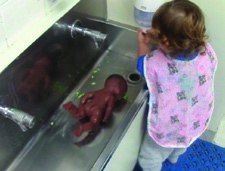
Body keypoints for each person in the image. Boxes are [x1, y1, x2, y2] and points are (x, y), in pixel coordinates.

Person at [136, 0, 218, 170]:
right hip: (194, 119)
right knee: (180, 145)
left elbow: (141, 66)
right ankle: (173, 160)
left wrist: (143, 44)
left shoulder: (156, 63)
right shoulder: (206, 50)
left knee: (149, 157)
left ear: (165, 42)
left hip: (168, 127)